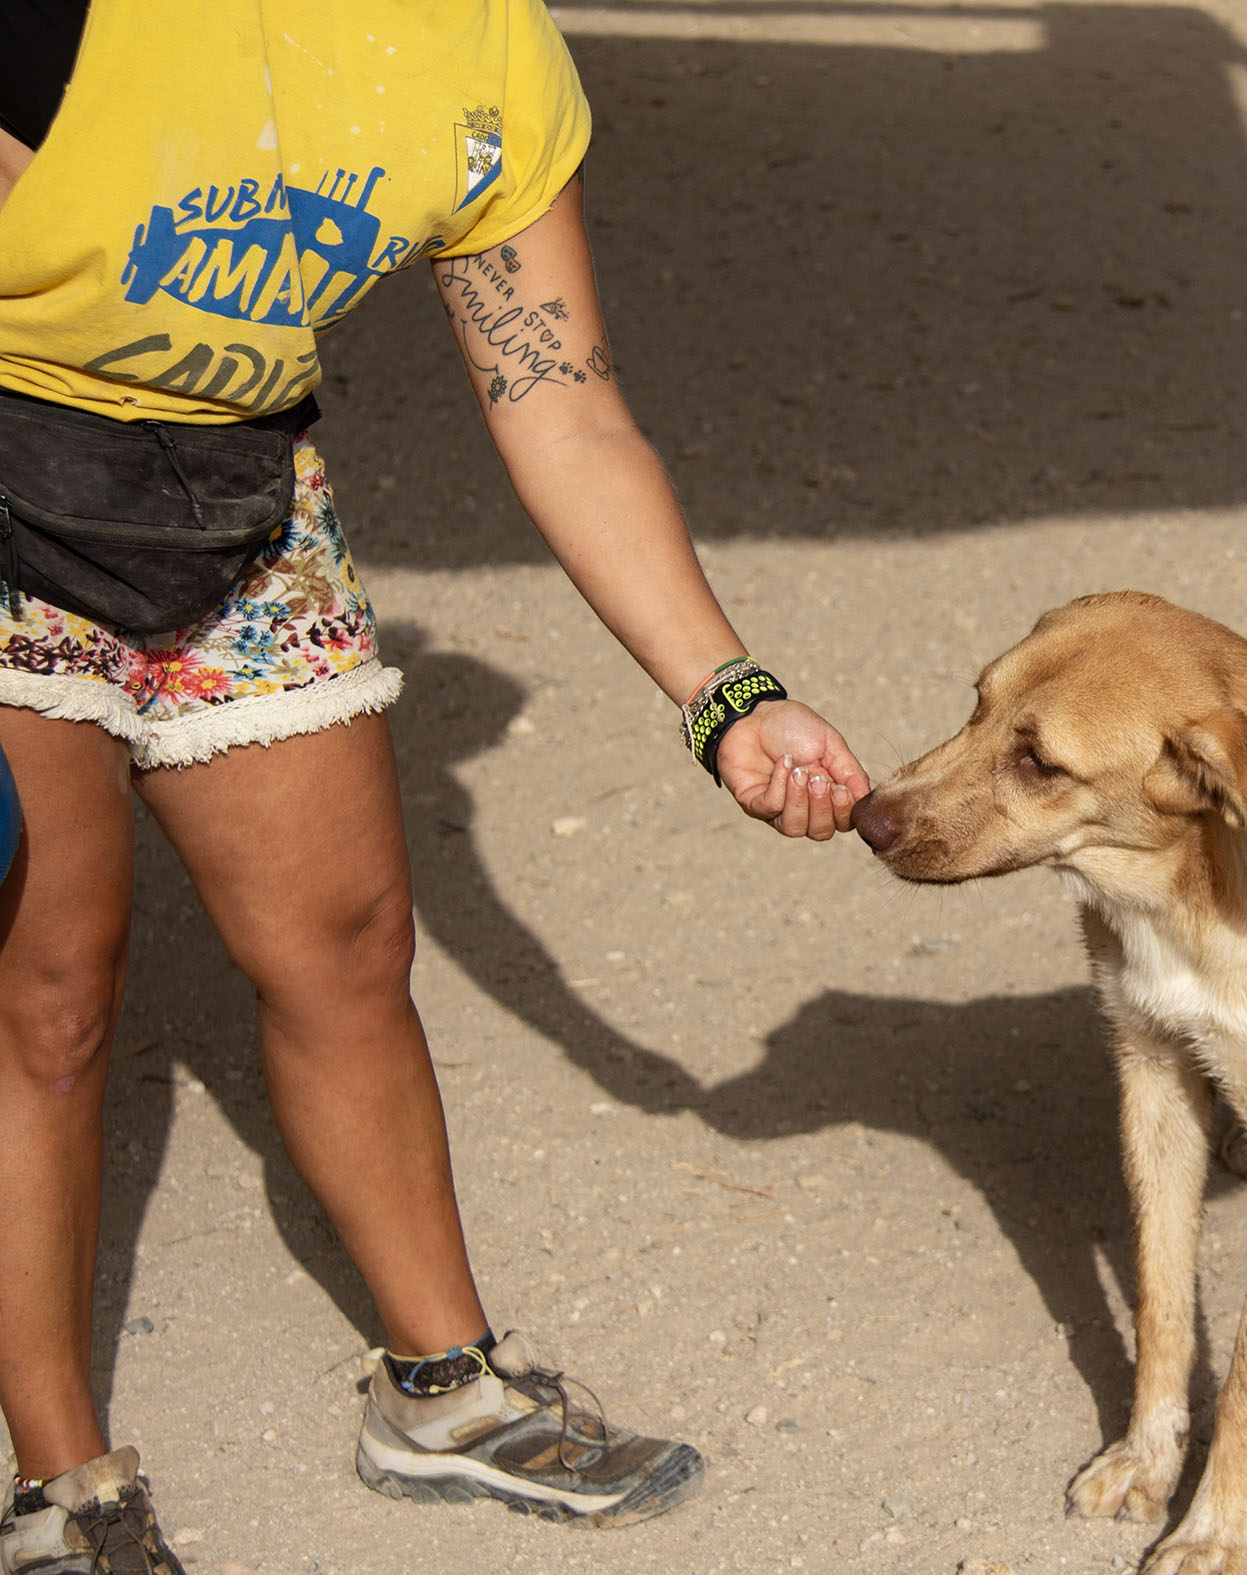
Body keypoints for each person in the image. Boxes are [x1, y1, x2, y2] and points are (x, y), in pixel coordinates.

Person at [0, 4, 871, 1570]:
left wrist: (728, 695)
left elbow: (566, 407)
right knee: (49, 994)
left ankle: (445, 1393)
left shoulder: (487, 54)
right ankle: (61, 1488)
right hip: (9, 469)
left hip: (243, 488)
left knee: (346, 946)